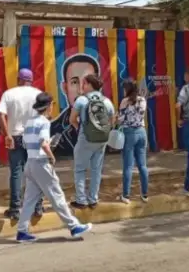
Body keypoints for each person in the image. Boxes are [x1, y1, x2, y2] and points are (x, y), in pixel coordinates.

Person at [16, 92, 92, 243]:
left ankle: (22, 231)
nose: (52, 107)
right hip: (41, 164)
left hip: (30, 163)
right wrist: (51, 156)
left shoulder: (29, 122)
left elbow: (26, 143)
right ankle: (74, 226)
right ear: (48, 106)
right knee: (57, 195)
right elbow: (44, 144)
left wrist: (46, 145)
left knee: (29, 200)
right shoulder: (44, 122)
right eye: (52, 105)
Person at [0, 68, 44, 220]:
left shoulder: (9, 94)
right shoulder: (38, 94)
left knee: (16, 173)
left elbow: (0, 114)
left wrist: (7, 135)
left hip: (15, 137)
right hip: (34, 137)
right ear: (31, 80)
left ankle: (15, 209)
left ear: (18, 80)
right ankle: (38, 207)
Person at [70, 74, 115, 209]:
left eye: (84, 83)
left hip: (85, 139)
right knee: (96, 170)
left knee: (80, 169)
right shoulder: (107, 101)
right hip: (102, 140)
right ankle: (93, 199)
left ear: (89, 84)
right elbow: (112, 121)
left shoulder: (81, 100)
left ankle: (81, 200)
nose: (82, 86)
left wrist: (80, 129)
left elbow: (72, 119)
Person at [51, 54, 101, 157]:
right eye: (74, 82)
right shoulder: (53, 129)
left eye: (87, 82)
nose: (81, 91)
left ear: (96, 86)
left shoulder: (105, 124)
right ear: (65, 88)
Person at [117, 78, 149, 204]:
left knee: (128, 166)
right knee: (142, 165)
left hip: (129, 133)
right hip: (141, 132)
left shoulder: (125, 101)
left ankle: (126, 195)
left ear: (127, 89)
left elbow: (120, 119)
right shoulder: (142, 100)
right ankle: (145, 194)